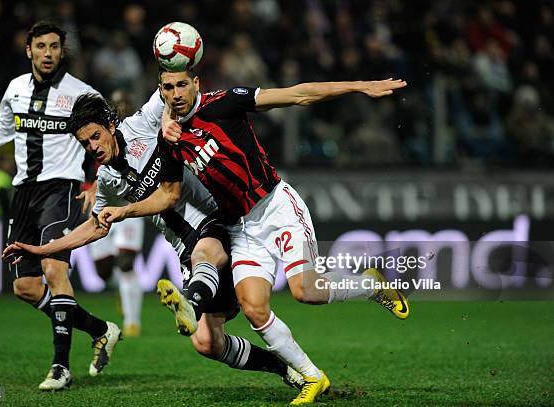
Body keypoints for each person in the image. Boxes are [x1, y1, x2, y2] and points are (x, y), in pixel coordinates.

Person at [96, 68, 409, 405]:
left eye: (183, 85)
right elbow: (168, 196)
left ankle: (371, 285)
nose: (176, 94)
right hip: (239, 227)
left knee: (306, 291)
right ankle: (312, 376)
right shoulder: (170, 141)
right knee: (254, 308)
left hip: (275, 206)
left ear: (196, 83)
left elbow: (296, 94)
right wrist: (125, 210)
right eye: (169, 88)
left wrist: (359, 85)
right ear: (162, 92)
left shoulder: (226, 103)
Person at [3, 92, 305, 389]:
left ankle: (191, 301)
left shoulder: (143, 122)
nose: (92, 146)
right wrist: (40, 250)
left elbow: (171, 90)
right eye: (85, 143)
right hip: (182, 246)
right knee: (206, 343)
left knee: (206, 253)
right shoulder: (107, 179)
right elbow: (95, 228)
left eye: (95, 136)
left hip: (213, 218)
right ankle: (282, 367)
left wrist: (166, 114)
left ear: (110, 125)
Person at [0, 22, 121, 391]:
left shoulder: (82, 94)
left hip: (62, 190)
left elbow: (110, 135)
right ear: (29, 50)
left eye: (55, 46)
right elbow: (0, 130)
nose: (48, 52)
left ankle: (60, 367)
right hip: (24, 192)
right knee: (24, 287)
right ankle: (100, 329)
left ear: (62, 50)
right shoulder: (15, 89)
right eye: (41, 46)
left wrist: (95, 181)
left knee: (56, 272)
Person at [87, 89, 144, 337]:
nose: (120, 107)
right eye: (116, 103)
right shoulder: (95, 138)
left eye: (124, 103)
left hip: (128, 207)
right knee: (103, 271)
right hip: (100, 206)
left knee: (126, 262)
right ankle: (122, 291)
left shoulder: (139, 133)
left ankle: (133, 322)